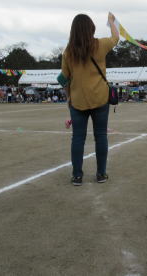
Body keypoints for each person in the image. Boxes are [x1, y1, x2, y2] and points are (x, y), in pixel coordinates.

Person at [60, 12, 119, 186]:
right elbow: (116, 38)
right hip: (100, 98)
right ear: (91, 28)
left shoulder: (68, 52)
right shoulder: (99, 45)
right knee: (101, 136)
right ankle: (101, 174)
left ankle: (77, 176)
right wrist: (111, 22)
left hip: (77, 100)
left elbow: (64, 79)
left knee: (77, 138)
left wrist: (68, 97)